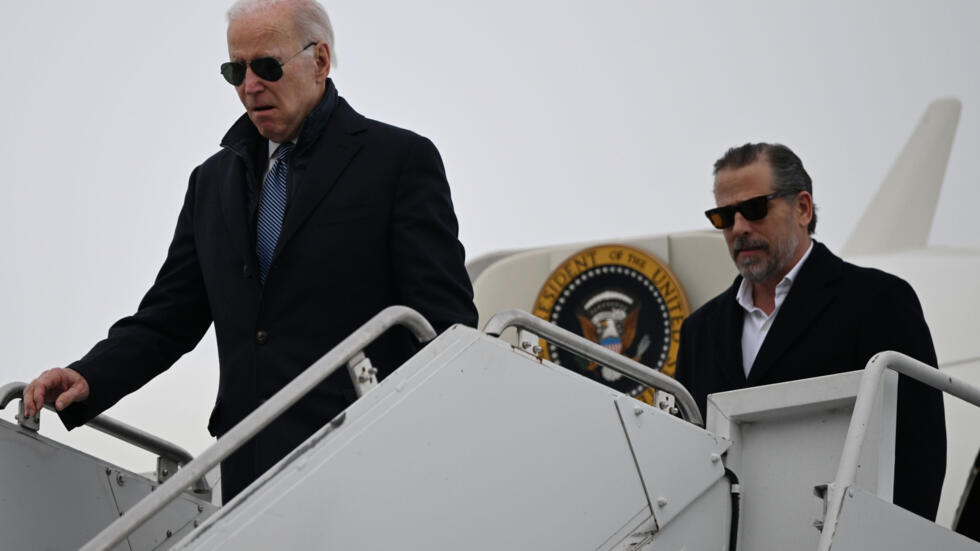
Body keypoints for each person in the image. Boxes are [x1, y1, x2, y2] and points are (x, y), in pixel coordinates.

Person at [22, 0, 477, 503]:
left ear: (320, 61)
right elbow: (169, 317)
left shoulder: (398, 161)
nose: (249, 86)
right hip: (246, 468)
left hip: (367, 463)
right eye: (235, 70)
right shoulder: (211, 182)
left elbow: (443, 324)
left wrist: (432, 450)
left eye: (266, 66)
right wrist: (89, 375)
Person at [675, 143, 946, 520]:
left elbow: (919, 450)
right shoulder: (699, 331)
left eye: (754, 209)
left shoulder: (879, 301)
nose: (738, 228)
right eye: (724, 216)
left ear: (802, 208)